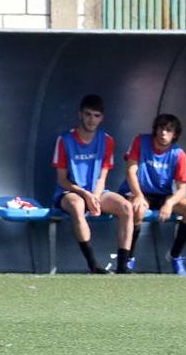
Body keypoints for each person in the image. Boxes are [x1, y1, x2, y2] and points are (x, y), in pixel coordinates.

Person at [51, 94, 134, 274]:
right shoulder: (64, 140)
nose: (91, 120)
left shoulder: (107, 140)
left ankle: (122, 267)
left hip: (96, 191)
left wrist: (95, 196)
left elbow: (102, 176)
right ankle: (93, 264)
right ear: (80, 115)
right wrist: (86, 195)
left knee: (126, 207)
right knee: (77, 205)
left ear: (101, 118)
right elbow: (62, 180)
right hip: (70, 192)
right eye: (88, 114)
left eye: (96, 116)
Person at [118, 113, 186, 275]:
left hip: (163, 196)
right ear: (155, 129)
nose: (163, 133)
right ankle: (129, 258)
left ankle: (175, 256)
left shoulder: (178, 154)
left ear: (175, 135)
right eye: (161, 128)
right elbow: (130, 171)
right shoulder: (140, 141)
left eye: (169, 130)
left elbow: (182, 189)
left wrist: (169, 203)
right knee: (137, 209)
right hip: (139, 192)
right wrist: (139, 196)